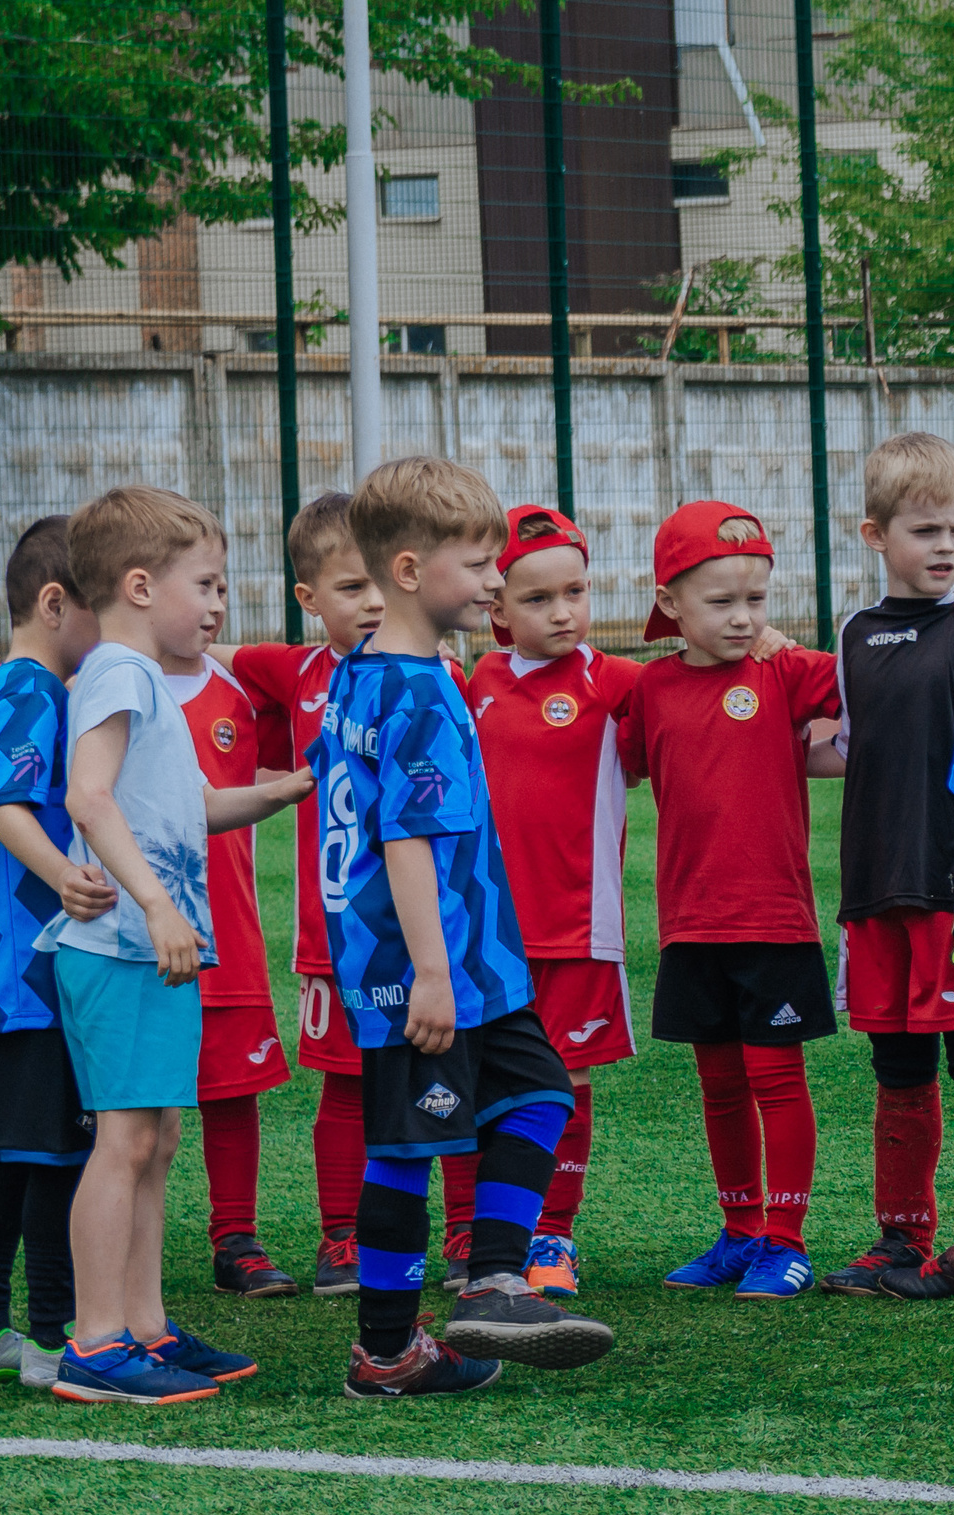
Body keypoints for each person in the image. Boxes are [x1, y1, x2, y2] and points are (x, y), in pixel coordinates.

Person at [315, 457, 614, 1398]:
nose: (496, 580)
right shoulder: (415, 687)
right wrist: (433, 972)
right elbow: (406, 838)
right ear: (410, 571)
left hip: (473, 957)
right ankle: (385, 1351)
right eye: (480, 565)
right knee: (407, 1148)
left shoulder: (362, 669)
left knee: (539, 1093)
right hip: (429, 962)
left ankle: (491, 1279)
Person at [44, 486, 306, 1404]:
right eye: (208, 584)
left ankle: (145, 1327)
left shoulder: (145, 677)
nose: (220, 604)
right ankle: (95, 1342)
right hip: (121, 945)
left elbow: (194, 807)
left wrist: (283, 788)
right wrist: (156, 904)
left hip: (152, 948)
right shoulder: (117, 671)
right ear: (141, 586)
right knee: (124, 1140)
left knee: (155, 1138)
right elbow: (88, 796)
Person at [226, 495, 475, 1297]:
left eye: (379, 584)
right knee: (347, 1084)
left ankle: (467, 1230)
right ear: (308, 599)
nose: (371, 602)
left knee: (456, 1073)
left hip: (431, 927)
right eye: (349, 587)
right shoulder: (294, 671)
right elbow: (203, 652)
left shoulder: (438, 672)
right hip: (335, 938)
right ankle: (342, 1236)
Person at [811, 434, 954, 1304]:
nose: (946, 547)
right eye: (926, 529)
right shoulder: (853, 633)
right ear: (874, 534)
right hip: (876, 888)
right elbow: (850, 745)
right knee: (896, 1069)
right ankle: (900, 1241)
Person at [623, 501, 843, 1303]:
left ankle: (786, 1239)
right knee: (718, 1084)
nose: (745, 618)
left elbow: (872, 676)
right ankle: (741, 1229)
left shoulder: (783, 672)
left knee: (776, 1079)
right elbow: (614, 760)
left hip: (774, 920)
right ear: (670, 602)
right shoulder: (650, 687)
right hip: (689, 923)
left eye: (757, 599)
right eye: (722, 601)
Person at [0, 516, 112, 1390]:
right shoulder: (31, 691)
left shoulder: (16, 689)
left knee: (11, 1159)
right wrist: (65, 876)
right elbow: (4, 803)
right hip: (30, 974)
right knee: (55, 1160)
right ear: (54, 603)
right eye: (101, 603)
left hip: (9, 979)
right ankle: (52, 1337)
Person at [465, 503, 643, 1301]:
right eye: (537, 598)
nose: (562, 611)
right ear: (497, 609)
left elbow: (709, 676)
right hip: (486, 930)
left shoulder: (617, 682)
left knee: (563, 1085)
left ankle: (552, 1236)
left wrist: (769, 641)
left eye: (575, 591)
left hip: (577, 928)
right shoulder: (476, 680)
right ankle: (478, 1232)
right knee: (480, 1081)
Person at [162, 638, 295, 1299]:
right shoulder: (102, 685)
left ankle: (236, 1239)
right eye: (200, 589)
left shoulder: (238, 689)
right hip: (132, 934)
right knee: (121, 1105)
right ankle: (103, 1241)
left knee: (232, 1090)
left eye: (220, 589)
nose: (214, 602)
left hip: (228, 928)